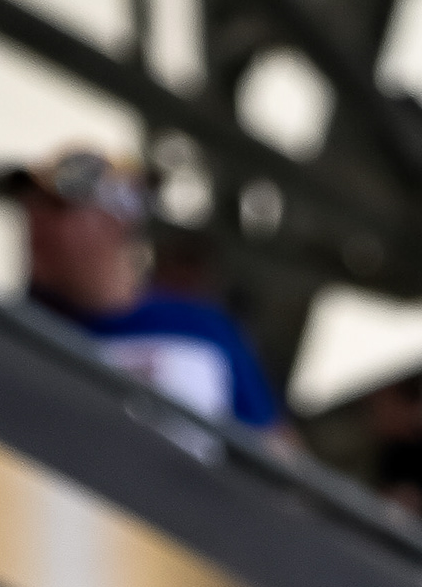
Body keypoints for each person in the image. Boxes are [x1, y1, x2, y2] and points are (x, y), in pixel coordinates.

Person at [20, 149, 284, 436]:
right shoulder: (15, 325)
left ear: (115, 221)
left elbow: (277, 457)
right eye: (32, 205)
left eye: (58, 207)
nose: (37, 221)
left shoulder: (205, 330)